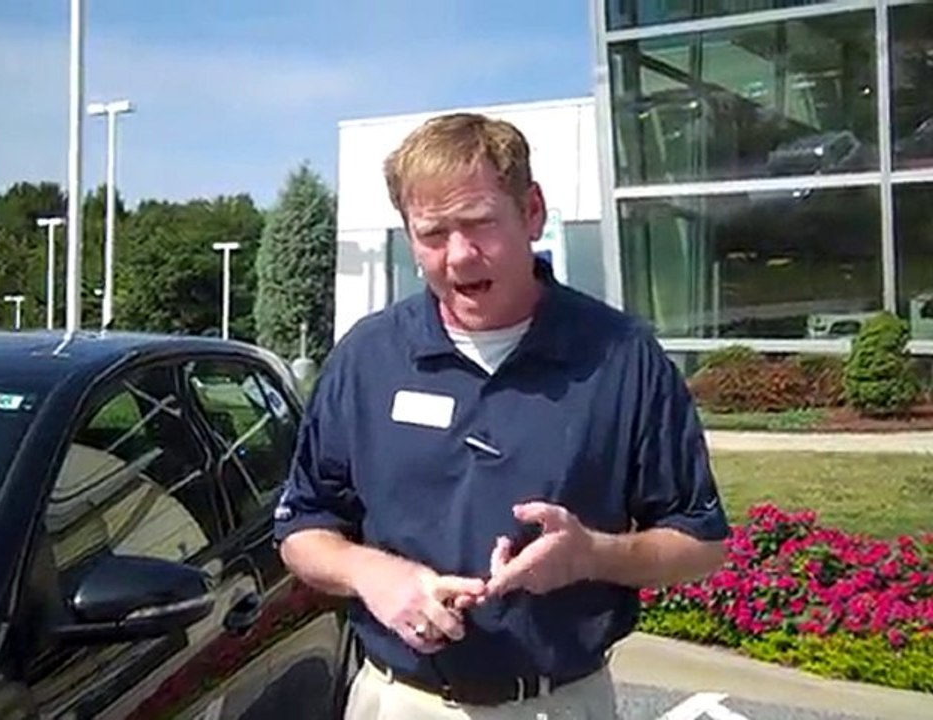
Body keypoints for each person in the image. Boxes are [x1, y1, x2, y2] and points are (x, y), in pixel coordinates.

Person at [274, 112, 730, 719]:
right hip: (395, 701)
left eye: (481, 224)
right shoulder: (367, 358)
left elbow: (700, 544)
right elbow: (303, 529)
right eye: (433, 234)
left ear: (531, 212)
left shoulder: (621, 357)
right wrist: (373, 575)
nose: (460, 257)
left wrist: (590, 554)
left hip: (557, 704)